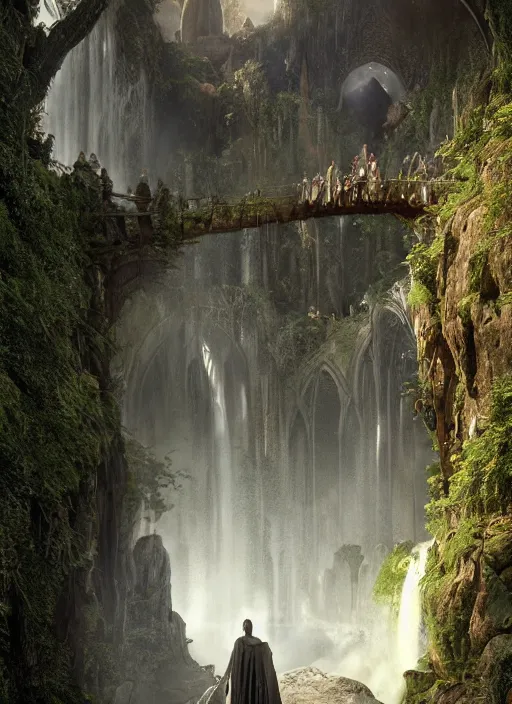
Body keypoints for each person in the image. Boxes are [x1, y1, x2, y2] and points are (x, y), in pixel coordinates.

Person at [224, 620, 281, 704]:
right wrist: (226, 675)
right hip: (244, 677)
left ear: (252, 628)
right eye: (246, 626)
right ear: (243, 628)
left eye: (249, 626)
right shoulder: (239, 642)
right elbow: (233, 660)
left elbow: (265, 655)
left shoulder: (257, 641)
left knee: (254, 696)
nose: (247, 628)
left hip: (255, 676)